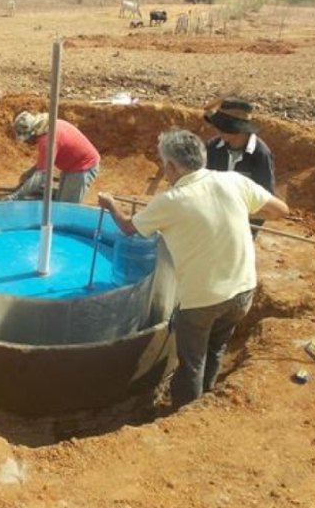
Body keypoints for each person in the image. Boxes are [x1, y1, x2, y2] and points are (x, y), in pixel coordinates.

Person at [97, 129, 289, 409]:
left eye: (165, 165)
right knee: (217, 347)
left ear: (172, 166)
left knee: (190, 364)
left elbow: (129, 229)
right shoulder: (233, 181)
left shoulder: (171, 201)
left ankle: (185, 413)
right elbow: (280, 210)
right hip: (243, 290)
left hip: (201, 300)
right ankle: (208, 398)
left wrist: (112, 205)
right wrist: (237, 209)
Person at [203, 98, 275, 235]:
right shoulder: (213, 148)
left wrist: (240, 216)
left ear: (240, 130)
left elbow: (265, 201)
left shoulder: (260, 155)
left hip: (244, 226)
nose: (218, 131)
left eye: (224, 127)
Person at [5, 111, 100, 203]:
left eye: (27, 139)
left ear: (31, 133)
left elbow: (42, 176)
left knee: (66, 207)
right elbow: (45, 162)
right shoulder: (48, 127)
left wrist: (15, 196)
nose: (28, 143)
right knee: (61, 201)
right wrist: (29, 174)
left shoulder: (46, 140)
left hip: (83, 166)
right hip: (73, 165)